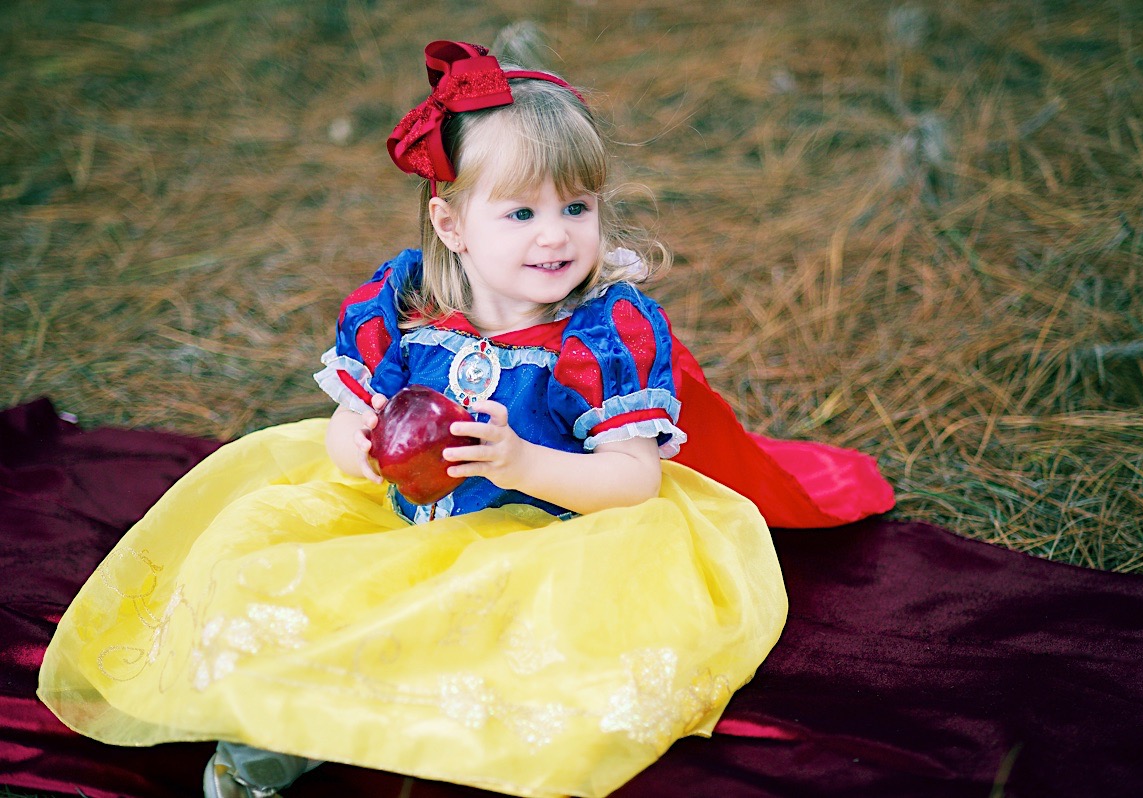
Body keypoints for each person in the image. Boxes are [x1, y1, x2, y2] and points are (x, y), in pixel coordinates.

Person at [38, 40, 893, 798]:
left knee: (510, 643)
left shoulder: (601, 333)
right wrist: (366, 447)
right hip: (402, 526)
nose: (554, 237)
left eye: (576, 208)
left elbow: (635, 480)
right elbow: (347, 430)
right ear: (451, 223)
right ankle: (274, 738)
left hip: (549, 543)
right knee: (283, 588)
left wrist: (521, 462)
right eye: (521, 213)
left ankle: (445, 734)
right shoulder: (405, 305)